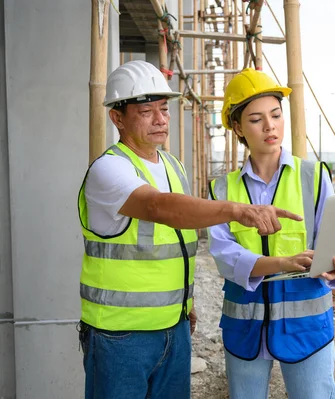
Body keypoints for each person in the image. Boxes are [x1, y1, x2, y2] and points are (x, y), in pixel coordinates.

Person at [77, 60, 302, 399]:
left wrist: (187, 301)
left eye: (163, 109)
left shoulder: (172, 165)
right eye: (146, 111)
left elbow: (176, 242)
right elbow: (160, 208)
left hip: (175, 326)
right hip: (119, 334)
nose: (161, 119)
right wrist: (239, 211)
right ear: (117, 117)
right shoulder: (109, 169)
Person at [208, 68, 335, 399]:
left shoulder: (314, 176)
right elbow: (225, 257)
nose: (270, 126)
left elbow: (333, 242)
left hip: (306, 326)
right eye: (256, 119)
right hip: (246, 326)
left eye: (276, 115)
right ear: (237, 127)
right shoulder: (222, 189)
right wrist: (282, 262)